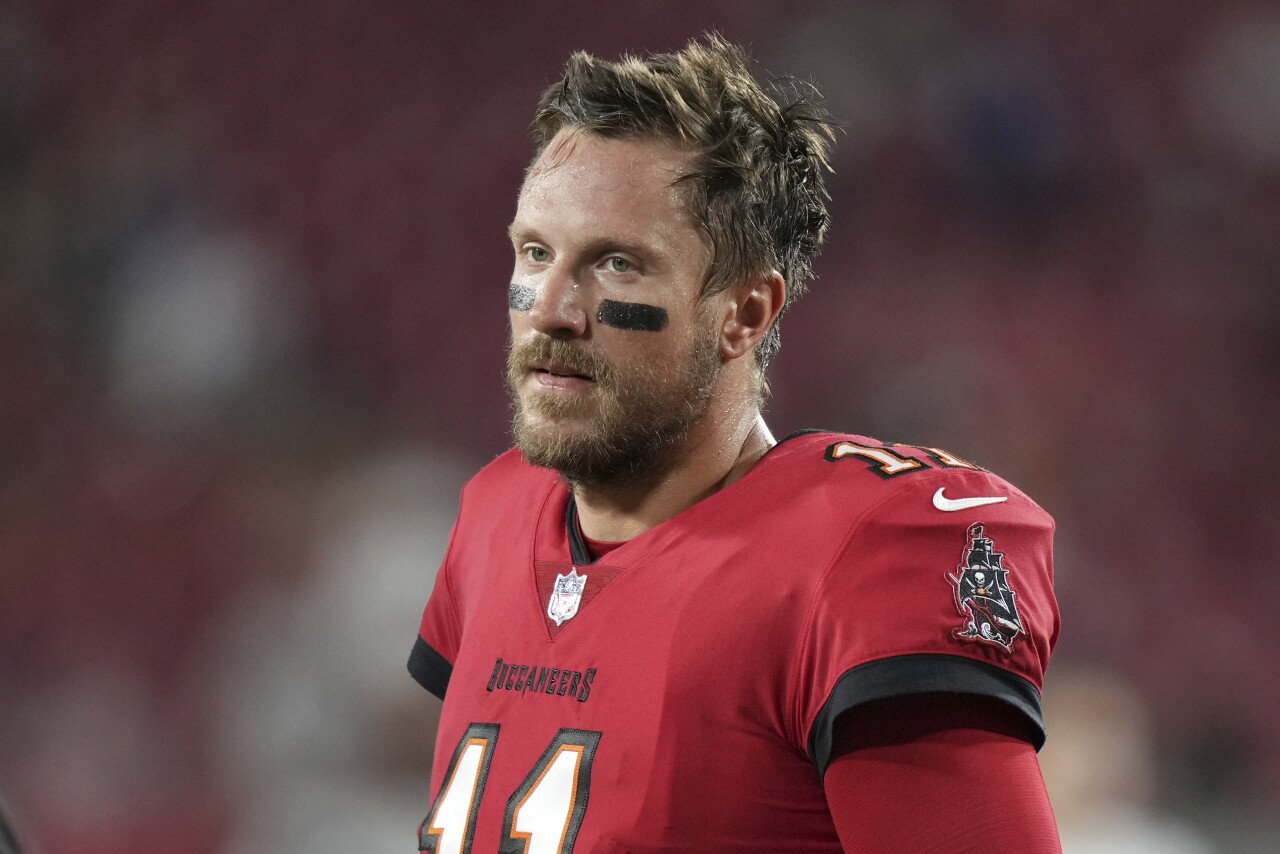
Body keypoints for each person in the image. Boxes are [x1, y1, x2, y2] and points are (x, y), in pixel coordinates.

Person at [408, 34, 1061, 852]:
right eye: (536, 253)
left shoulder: (857, 557)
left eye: (617, 265)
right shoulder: (494, 515)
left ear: (745, 314)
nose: (551, 308)